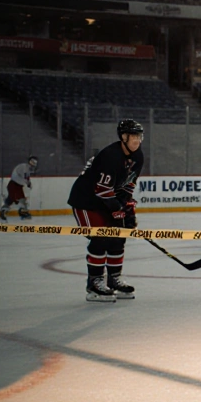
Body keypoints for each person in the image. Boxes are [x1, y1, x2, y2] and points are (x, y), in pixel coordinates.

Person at [68, 119, 144, 303]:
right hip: (85, 201)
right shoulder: (110, 155)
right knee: (100, 238)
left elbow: (127, 187)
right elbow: (102, 190)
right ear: (123, 137)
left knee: (118, 237)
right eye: (133, 136)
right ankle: (94, 283)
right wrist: (117, 209)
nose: (137, 140)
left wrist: (127, 208)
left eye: (139, 136)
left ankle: (114, 279)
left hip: (106, 200)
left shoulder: (138, 156)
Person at [0, 155, 38, 221]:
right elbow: (26, 177)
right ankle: (4, 211)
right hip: (13, 185)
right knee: (12, 199)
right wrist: (28, 183)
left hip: (18, 186)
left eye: (34, 163)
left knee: (20, 199)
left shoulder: (27, 169)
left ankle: (22, 212)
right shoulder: (24, 167)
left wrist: (28, 183)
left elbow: (26, 178)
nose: (33, 164)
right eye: (32, 162)